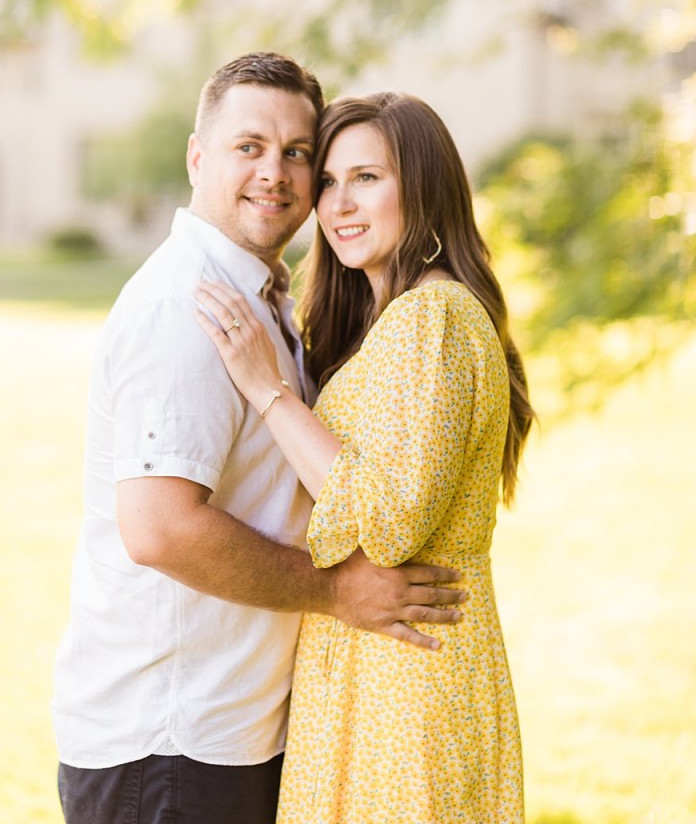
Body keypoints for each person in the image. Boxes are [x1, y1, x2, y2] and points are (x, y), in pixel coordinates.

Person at [52, 56, 465, 824]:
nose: (274, 172)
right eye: (249, 146)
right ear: (197, 157)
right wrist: (337, 592)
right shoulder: (186, 308)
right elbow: (160, 528)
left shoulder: (261, 299)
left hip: (230, 733)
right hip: (170, 744)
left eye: (297, 152)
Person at [196, 90, 536, 824]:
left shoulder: (434, 317)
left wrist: (267, 389)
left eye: (367, 178)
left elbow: (388, 524)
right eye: (328, 181)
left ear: (425, 188)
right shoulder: (391, 323)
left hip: (407, 685)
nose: (339, 204)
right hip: (376, 672)